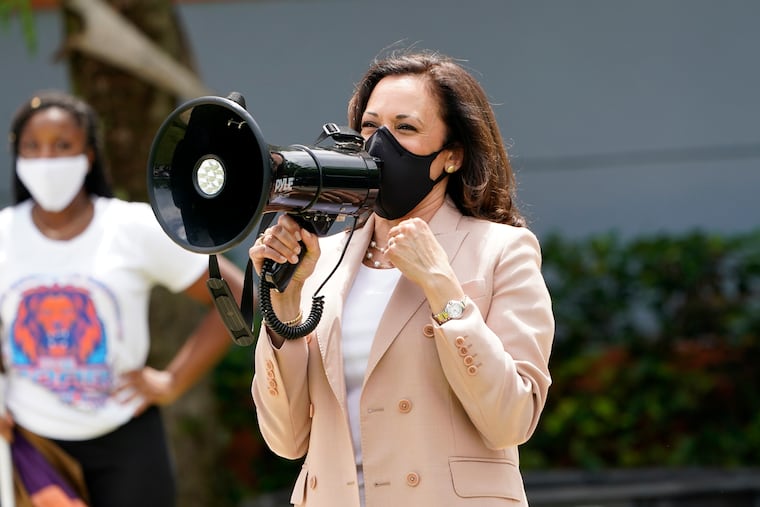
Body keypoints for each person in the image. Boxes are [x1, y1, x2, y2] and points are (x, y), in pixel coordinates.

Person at [249, 50, 555, 506]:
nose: (380, 145)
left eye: (405, 128)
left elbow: (511, 420)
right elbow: (286, 439)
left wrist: (442, 288)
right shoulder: (323, 258)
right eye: (371, 127)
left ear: (451, 156)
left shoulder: (502, 250)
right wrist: (286, 308)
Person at [0, 90, 245, 507]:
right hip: (32, 441)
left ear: (89, 155)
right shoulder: (4, 233)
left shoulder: (131, 227)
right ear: (17, 156)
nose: (47, 160)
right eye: (33, 147)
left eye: (63, 146)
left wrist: (172, 381)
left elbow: (238, 296)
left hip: (126, 436)